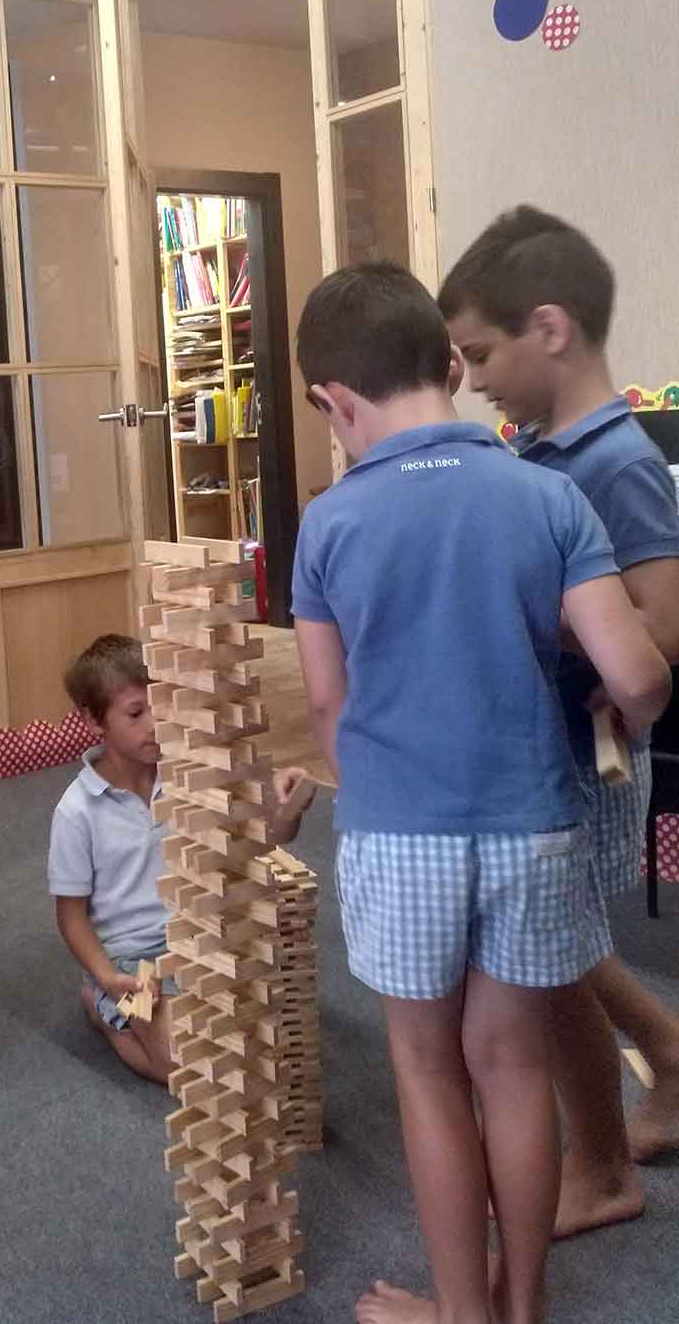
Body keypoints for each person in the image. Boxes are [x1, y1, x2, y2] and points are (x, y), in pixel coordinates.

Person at [280, 263, 670, 1324]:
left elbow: (325, 702)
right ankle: (522, 1310)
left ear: (334, 400)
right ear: (448, 364)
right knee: (508, 1068)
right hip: (530, 826)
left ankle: (462, 1313)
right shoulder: (546, 495)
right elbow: (635, 674)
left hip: (398, 829)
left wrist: (379, 792)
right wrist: (618, 715)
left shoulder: (327, 524)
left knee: (426, 1070)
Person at [440, 207, 679, 1234]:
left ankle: (599, 1163)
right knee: (550, 943)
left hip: (579, 760)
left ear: (549, 328)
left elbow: (661, 619)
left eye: (478, 352)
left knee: (544, 957)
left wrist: (593, 660)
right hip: (528, 746)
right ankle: (665, 1052)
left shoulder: (612, 460)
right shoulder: (543, 452)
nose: (471, 375)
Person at [47, 634, 175, 1085]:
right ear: (92, 719)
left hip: (189, 945)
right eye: (137, 713)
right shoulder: (76, 810)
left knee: (251, 1046)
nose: (155, 724)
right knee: (183, 1071)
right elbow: (71, 917)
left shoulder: (185, 776)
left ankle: (116, 1008)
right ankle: (103, 1007)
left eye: (162, 704)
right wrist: (106, 974)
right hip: (128, 963)